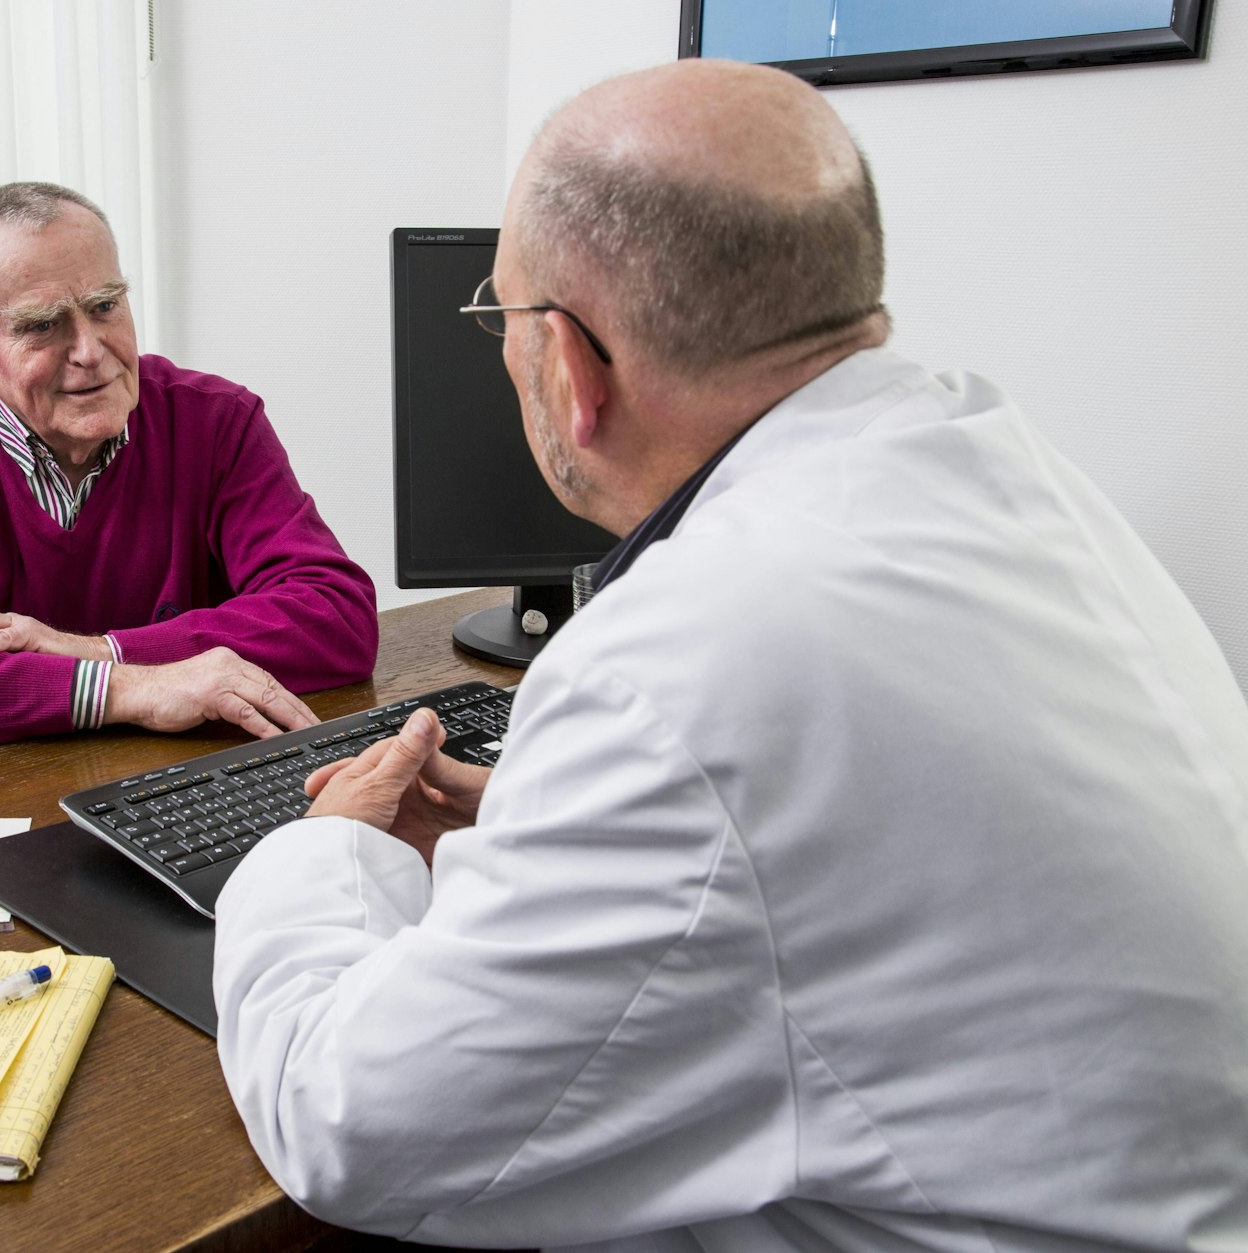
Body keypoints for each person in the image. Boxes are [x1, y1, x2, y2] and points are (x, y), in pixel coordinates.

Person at [213, 60, 1248, 1251]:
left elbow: (351, 1130)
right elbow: (844, 816)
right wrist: (554, 819)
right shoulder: (989, 461)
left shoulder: (679, 662)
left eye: (500, 317)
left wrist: (329, 850)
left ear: (569, 366)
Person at [0, 182, 377, 747]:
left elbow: (336, 617)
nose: (89, 351)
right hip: (0, 796)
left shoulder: (216, 419)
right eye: (41, 325)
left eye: (105, 306)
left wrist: (95, 649)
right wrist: (130, 688)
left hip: (193, 784)